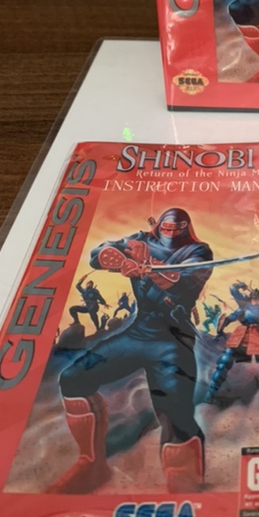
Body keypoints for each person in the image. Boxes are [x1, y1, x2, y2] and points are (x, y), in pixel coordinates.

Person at [48, 208, 214, 495]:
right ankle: (91, 465)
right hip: (138, 333)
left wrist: (149, 265)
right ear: (159, 226)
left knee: (176, 411)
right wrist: (122, 259)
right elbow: (98, 254)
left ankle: (183, 479)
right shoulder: (140, 239)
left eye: (177, 229)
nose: (171, 233)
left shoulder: (198, 251)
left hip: (173, 340)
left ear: (186, 228)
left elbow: (183, 279)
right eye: (167, 228)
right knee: (73, 379)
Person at [204, 281, 259, 403]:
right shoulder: (243, 303)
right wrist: (241, 285)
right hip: (242, 334)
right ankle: (211, 393)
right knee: (225, 361)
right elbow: (233, 290)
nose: (254, 293)